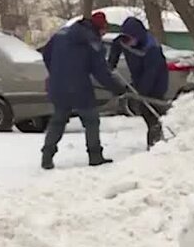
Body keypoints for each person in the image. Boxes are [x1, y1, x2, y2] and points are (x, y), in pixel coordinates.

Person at [39, 11, 126, 170]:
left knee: (58, 121)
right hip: (80, 88)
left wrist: (56, 73)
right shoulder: (92, 42)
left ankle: (47, 156)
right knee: (91, 121)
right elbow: (101, 72)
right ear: (99, 28)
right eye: (104, 30)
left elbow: (46, 54)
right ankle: (95, 156)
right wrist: (117, 88)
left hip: (58, 86)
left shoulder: (61, 34)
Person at [107, 16, 169, 149]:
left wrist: (141, 92)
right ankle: (157, 140)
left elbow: (151, 74)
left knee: (152, 111)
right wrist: (112, 62)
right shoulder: (123, 41)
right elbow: (116, 45)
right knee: (144, 110)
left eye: (131, 38)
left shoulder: (151, 48)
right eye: (127, 38)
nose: (129, 42)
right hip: (138, 76)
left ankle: (155, 144)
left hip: (158, 79)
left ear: (138, 36)